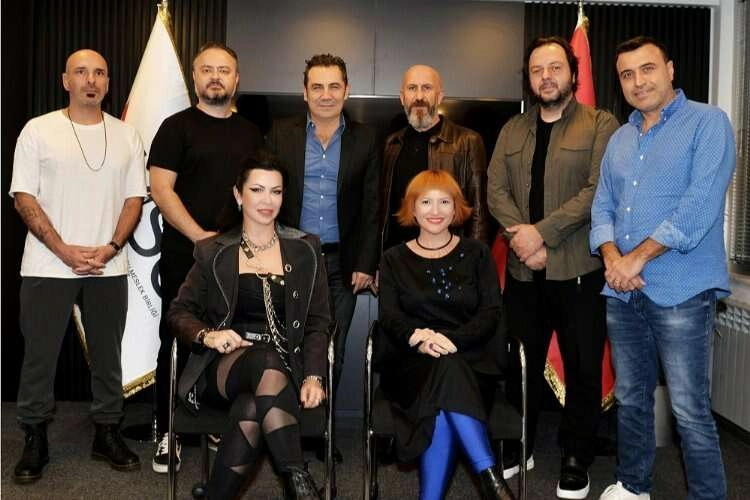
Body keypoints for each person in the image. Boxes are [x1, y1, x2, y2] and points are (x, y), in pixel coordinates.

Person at [590, 36, 735, 500]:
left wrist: (636, 257)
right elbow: (602, 207)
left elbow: (698, 207)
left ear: (670, 70)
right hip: (622, 292)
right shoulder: (619, 138)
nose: (638, 81)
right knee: (630, 399)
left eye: (647, 69)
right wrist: (612, 259)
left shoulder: (708, 123)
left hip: (683, 292)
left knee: (689, 410)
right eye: (627, 74)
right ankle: (633, 486)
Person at [487, 37, 619, 499]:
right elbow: (495, 191)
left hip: (579, 269)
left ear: (573, 74)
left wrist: (540, 233)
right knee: (518, 364)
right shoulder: (512, 129)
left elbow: (597, 190)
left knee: (583, 366)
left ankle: (576, 455)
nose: (546, 76)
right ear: (528, 78)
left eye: (555, 67)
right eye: (537, 69)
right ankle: (519, 443)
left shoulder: (601, 123)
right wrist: (523, 241)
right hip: (523, 273)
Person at [10, 49, 147, 482]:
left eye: (100, 73)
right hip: (47, 264)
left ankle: (107, 431)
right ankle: (34, 436)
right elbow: (23, 198)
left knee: (108, 356)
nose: (91, 80)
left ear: (107, 82)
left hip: (108, 265)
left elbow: (134, 199)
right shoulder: (38, 130)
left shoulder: (127, 135)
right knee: (39, 357)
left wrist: (111, 246)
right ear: (65, 81)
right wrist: (63, 249)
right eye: (81, 72)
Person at [168, 151, 330, 499]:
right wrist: (208, 335)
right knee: (263, 359)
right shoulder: (214, 251)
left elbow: (319, 320)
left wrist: (314, 375)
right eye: (257, 190)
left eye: (276, 191)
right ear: (238, 195)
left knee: (252, 407)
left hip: (287, 367)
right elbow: (179, 312)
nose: (267, 200)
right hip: (224, 367)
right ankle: (299, 482)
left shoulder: (305, 249)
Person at [149, 42, 262, 472]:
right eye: (207, 69)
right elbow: (161, 190)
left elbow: (258, 194)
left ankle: (215, 424)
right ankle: (168, 429)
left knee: (230, 336)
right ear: (195, 78)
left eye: (224, 70)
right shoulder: (175, 127)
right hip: (188, 254)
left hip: (239, 257)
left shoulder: (251, 133)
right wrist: (200, 237)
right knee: (178, 338)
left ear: (237, 79)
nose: (216, 76)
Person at [378, 170, 515, 500]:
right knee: (443, 376)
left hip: (470, 363)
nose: (435, 210)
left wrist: (454, 340)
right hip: (412, 364)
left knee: (445, 381)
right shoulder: (393, 259)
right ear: (412, 208)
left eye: (444, 202)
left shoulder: (477, 253)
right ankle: (490, 478)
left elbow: (491, 313)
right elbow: (390, 317)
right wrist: (420, 338)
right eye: (426, 202)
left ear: (456, 209)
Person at [266, 54, 380, 442]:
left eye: (334, 86)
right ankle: (288, 432)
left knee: (334, 349)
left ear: (346, 91)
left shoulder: (366, 138)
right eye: (317, 87)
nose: (326, 95)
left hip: (341, 263)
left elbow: (372, 207)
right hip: (290, 259)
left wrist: (366, 262)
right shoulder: (281, 133)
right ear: (305, 92)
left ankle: (322, 434)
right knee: (288, 345)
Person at [380, 64, 490, 251]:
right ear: (402, 97)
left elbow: (479, 211)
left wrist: (476, 259)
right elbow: (382, 210)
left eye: (427, 88)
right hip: (398, 256)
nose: (419, 97)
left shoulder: (467, 141)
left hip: (449, 255)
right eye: (412, 88)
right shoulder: (391, 144)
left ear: (439, 96)